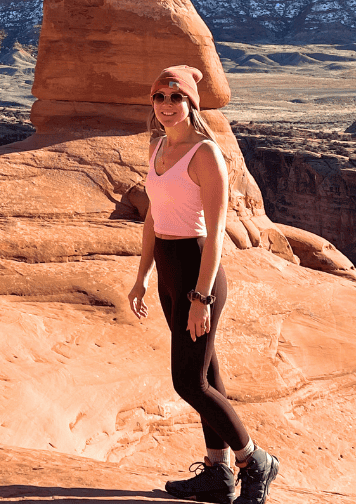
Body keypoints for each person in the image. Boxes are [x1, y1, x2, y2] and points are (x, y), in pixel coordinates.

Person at [127, 65, 279, 504]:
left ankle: (255, 460)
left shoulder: (205, 154)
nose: (167, 106)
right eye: (159, 98)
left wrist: (201, 296)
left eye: (177, 98)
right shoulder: (157, 148)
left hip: (198, 269)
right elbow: (153, 219)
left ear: (192, 103)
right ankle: (218, 474)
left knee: (188, 383)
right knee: (207, 373)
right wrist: (142, 277)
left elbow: (214, 235)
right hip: (169, 270)